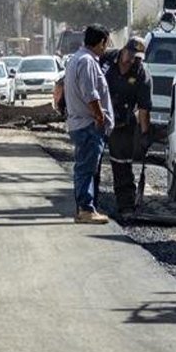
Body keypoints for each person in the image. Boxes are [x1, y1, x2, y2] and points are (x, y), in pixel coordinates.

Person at [96, 36, 152, 221]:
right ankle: (88, 203)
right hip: (98, 118)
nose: (132, 60)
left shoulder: (141, 74)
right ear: (124, 50)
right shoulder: (105, 60)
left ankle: (125, 205)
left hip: (122, 123)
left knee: (122, 165)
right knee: (92, 163)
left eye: (137, 57)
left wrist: (144, 134)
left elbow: (144, 108)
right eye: (131, 55)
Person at [64, 24, 114, 224]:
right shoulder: (87, 62)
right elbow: (90, 94)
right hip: (88, 125)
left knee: (86, 167)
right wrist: (100, 117)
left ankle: (85, 207)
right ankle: (85, 209)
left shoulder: (78, 59)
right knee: (86, 168)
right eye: (106, 43)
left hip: (82, 123)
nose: (106, 47)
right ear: (101, 41)